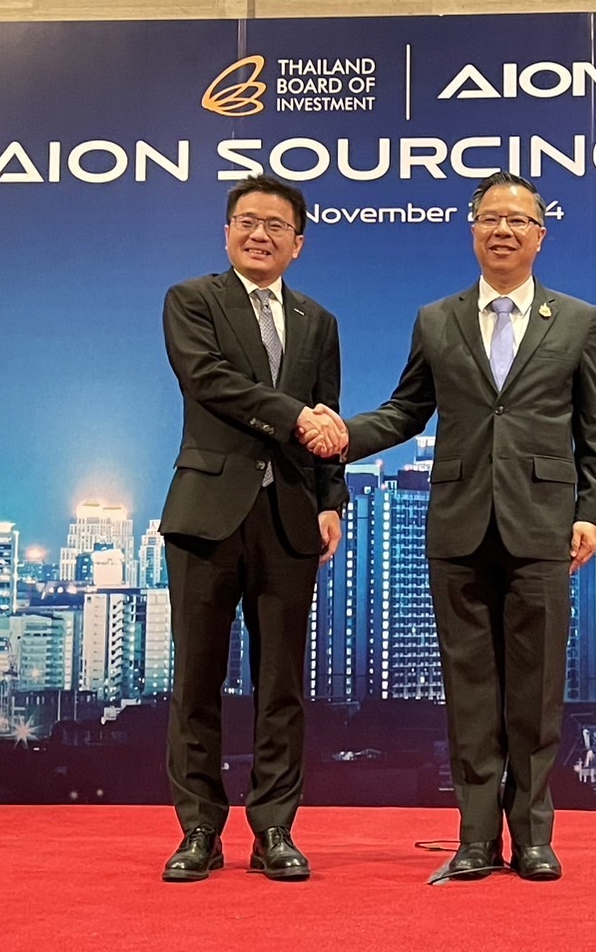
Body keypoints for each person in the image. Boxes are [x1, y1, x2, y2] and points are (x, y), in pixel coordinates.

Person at [302, 170, 596, 882]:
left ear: (540, 235)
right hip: (458, 525)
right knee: (469, 690)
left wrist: (592, 512)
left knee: (535, 693)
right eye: (489, 218)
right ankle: (475, 838)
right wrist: (342, 435)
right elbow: (406, 410)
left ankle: (532, 838)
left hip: (542, 525)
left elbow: (594, 428)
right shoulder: (436, 319)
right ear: (472, 230)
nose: (502, 230)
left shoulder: (576, 320)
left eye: (517, 220)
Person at [159, 176, 346, 883]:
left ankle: (274, 828)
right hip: (206, 514)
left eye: (275, 225)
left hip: (289, 517)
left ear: (299, 243)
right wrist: (293, 416)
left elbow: (328, 412)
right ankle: (199, 829)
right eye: (246, 221)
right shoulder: (192, 300)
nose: (259, 234)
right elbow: (206, 379)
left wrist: (331, 500)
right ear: (227, 231)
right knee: (196, 680)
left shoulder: (318, 320)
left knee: (282, 684)